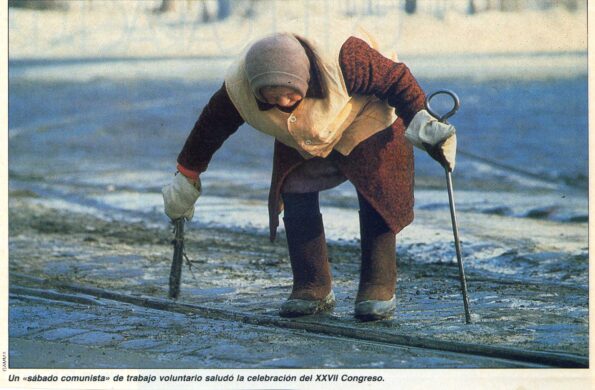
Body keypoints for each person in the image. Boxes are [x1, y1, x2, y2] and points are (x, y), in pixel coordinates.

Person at [162, 31, 456, 321]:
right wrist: (187, 174)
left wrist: (423, 120)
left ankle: (377, 288)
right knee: (294, 188)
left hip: (366, 115)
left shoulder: (346, 57)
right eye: (272, 95)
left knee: (377, 195)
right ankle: (311, 286)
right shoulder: (238, 88)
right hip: (304, 129)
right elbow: (210, 128)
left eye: (291, 91)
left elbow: (397, 79)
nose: (284, 100)